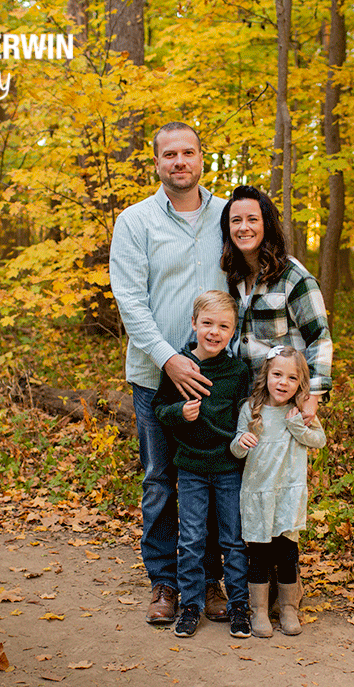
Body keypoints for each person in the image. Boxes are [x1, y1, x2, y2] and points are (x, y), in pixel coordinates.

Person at [109, 122, 230, 625]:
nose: (179, 162)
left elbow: (264, 269)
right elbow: (131, 302)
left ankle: (209, 579)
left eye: (188, 153)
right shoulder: (135, 222)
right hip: (155, 374)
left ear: (203, 158)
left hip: (219, 376)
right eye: (169, 155)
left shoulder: (228, 216)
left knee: (214, 478)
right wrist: (169, 359)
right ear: (156, 162)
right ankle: (163, 581)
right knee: (161, 479)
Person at [152, 291, 252, 639]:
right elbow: (159, 409)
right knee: (192, 539)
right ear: (193, 324)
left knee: (234, 540)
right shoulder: (179, 366)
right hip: (191, 469)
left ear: (233, 331)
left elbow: (247, 415)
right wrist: (179, 413)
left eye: (223, 326)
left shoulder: (238, 371)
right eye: (207, 323)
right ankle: (191, 605)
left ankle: (239, 604)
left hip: (228, 469)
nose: (214, 331)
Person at [232, 345, 326, 637]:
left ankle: (287, 609)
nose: (283, 383)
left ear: (301, 383)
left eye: (292, 378)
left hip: (288, 494)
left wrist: (297, 425)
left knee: (287, 553)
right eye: (277, 375)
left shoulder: (299, 411)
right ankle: (259, 610)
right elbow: (235, 450)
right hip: (258, 493)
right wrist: (241, 441)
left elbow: (319, 440)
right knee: (259, 554)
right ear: (266, 375)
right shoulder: (251, 409)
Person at [220, 185, 332, 422]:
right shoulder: (231, 278)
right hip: (245, 405)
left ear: (266, 224)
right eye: (236, 220)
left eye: (252, 219)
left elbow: (319, 337)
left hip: (285, 406)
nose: (244, 227)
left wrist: (312, 397)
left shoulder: (293, 277)